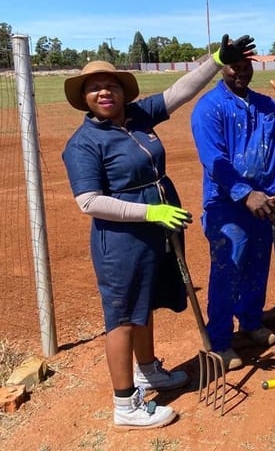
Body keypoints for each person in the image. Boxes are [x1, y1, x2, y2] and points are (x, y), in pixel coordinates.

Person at [61, 34, 256, 429]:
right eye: (95, 87)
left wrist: (216, 60)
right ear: (83, 96)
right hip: (121, 241)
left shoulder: (135, 117)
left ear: (122, 91)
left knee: (144, 304)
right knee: (121, 316)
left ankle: (147, 370)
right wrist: (151, 212)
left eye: (111, 85)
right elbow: (89, 202)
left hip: (155, 230)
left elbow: (178, 93)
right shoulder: (83, 143)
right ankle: (124, 404)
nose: (104, 92)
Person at [190, 58, 275, 370]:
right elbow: (214, 160)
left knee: (257, 266)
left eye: (246, 66)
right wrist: (244, 194)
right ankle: (220, 341)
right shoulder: (208, 107)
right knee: (229, 270)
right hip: (226, 204)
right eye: (233, 66)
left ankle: (251, 323)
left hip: (262, 201)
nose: (241, 71)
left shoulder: (265, 104)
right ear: (221, 69)